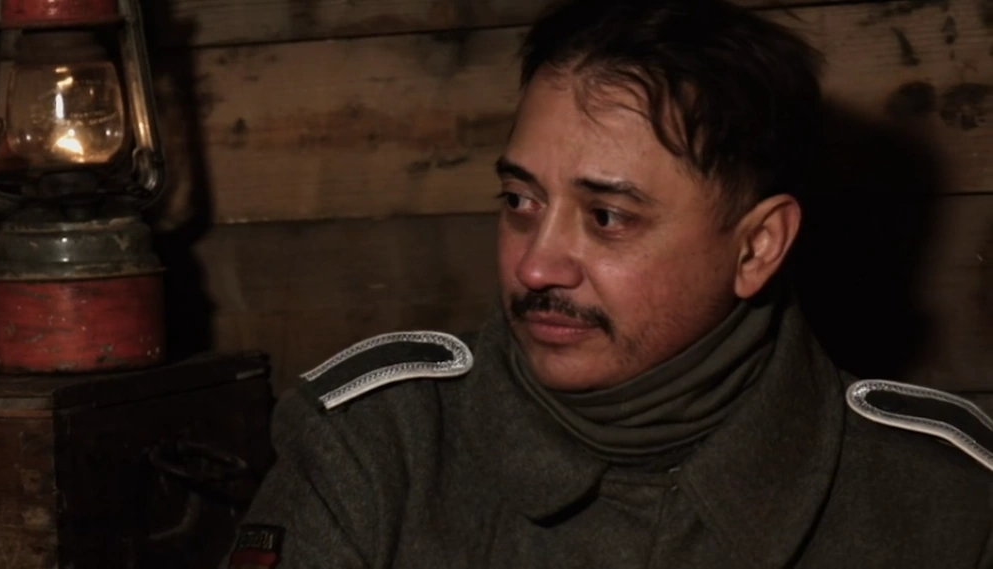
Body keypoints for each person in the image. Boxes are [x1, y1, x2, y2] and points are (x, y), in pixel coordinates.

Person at [224, 0, 993, 567]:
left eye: (608, 216)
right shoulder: (376, 444)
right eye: (520, 201)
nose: (536, 266)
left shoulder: (945, 500)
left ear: (757, 246)